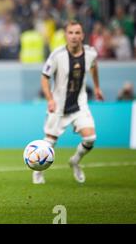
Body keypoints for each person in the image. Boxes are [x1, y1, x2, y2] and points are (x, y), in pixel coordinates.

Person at [34, 20, 104, 184]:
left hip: (79, 104)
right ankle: (38, 171)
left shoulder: (90, 53)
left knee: (90, 138)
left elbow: (94, 66)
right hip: (58, 105)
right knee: (49, 143)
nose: (74, 36)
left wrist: (97, 87)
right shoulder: (57, 55)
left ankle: (75, 161)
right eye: (70, 33)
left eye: (77, 33)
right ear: (66, 35)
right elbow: (44, 77)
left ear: (82, 36)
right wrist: (50, 99)